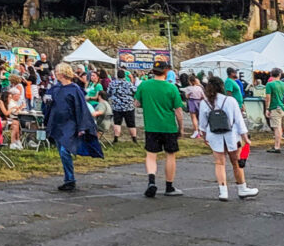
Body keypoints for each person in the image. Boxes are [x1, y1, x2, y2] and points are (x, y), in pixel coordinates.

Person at [195, 75, 256, 200]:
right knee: (236, 162)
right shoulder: (230, 100)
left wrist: (204, 136)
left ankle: (223, 191)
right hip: (232, 135)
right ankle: (242, 188)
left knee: (219, 163)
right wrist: (245, 137)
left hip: (214, 135)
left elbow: (202, 123)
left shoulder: (204, 103)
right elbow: (239, 121)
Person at [134, 60, 187, 198]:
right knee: (170, 155)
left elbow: (137, 103)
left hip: (151, 126)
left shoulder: (144, 85)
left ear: (153, 71)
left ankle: (151, 181)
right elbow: (178, 111)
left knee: (151, 155)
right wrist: (181, 128)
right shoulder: (171, 88)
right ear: (166, 71)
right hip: (168, 126)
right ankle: (169, 186)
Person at [42, 63, 96, 192]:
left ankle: (70, 179)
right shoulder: (55, 89)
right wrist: (46, 103)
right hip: (58, 123)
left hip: (70, 124)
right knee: (62, 151)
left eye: (56, 71)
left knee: (64, 151)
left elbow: (81, 108)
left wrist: (81, 127)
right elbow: (48, 105)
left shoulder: (74, 89)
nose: (55, 73)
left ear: (62, 73)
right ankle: (68, 178)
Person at [107, 70, 137, 144]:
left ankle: (116, 138)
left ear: (117, 75)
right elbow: (135, 91)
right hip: (128, 106)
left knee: (117, 123)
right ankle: (134, 139)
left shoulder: (112, 83)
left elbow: (108, 93)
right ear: (124, 76)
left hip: (117, 106)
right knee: (131, 123)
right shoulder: (129, 84)